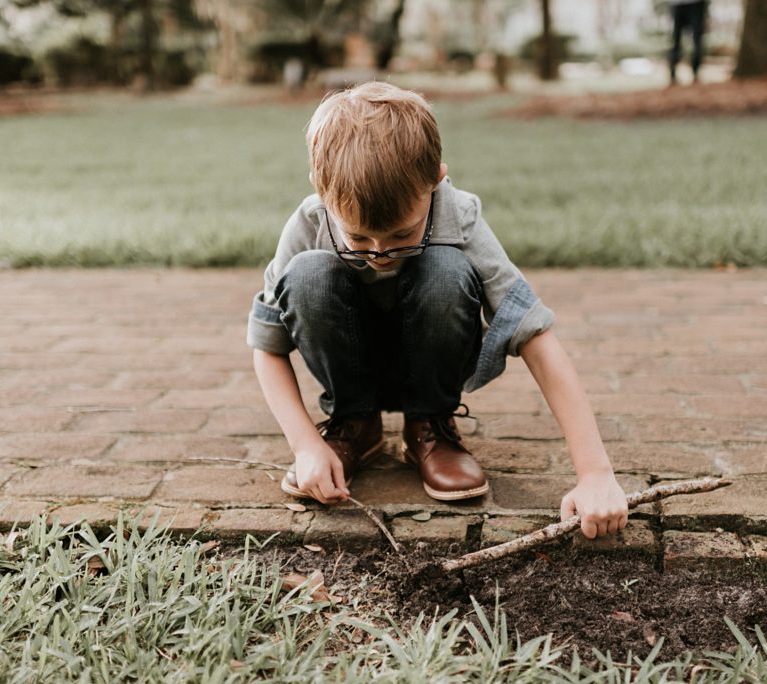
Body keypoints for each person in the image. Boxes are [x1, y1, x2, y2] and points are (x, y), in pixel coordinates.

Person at [246, 81, 628, 539]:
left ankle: (429, 426)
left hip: (432, 362)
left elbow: (536, 336)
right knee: (307, 273)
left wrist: (595, 473)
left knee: (447, 267)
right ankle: (355, 425)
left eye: (401, 235)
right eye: (359, 238)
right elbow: (267, 347)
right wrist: (305, 445)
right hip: (349, 363)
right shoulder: (309, 222)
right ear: (320, 188)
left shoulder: (459, 216)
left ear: (437, 179)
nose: (380, 253)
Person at [668, 0, 708, 85]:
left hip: (695, 4)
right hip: (679, 4)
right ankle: (672, 74)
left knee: (696, 41)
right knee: (676, 41)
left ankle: (695, 73)